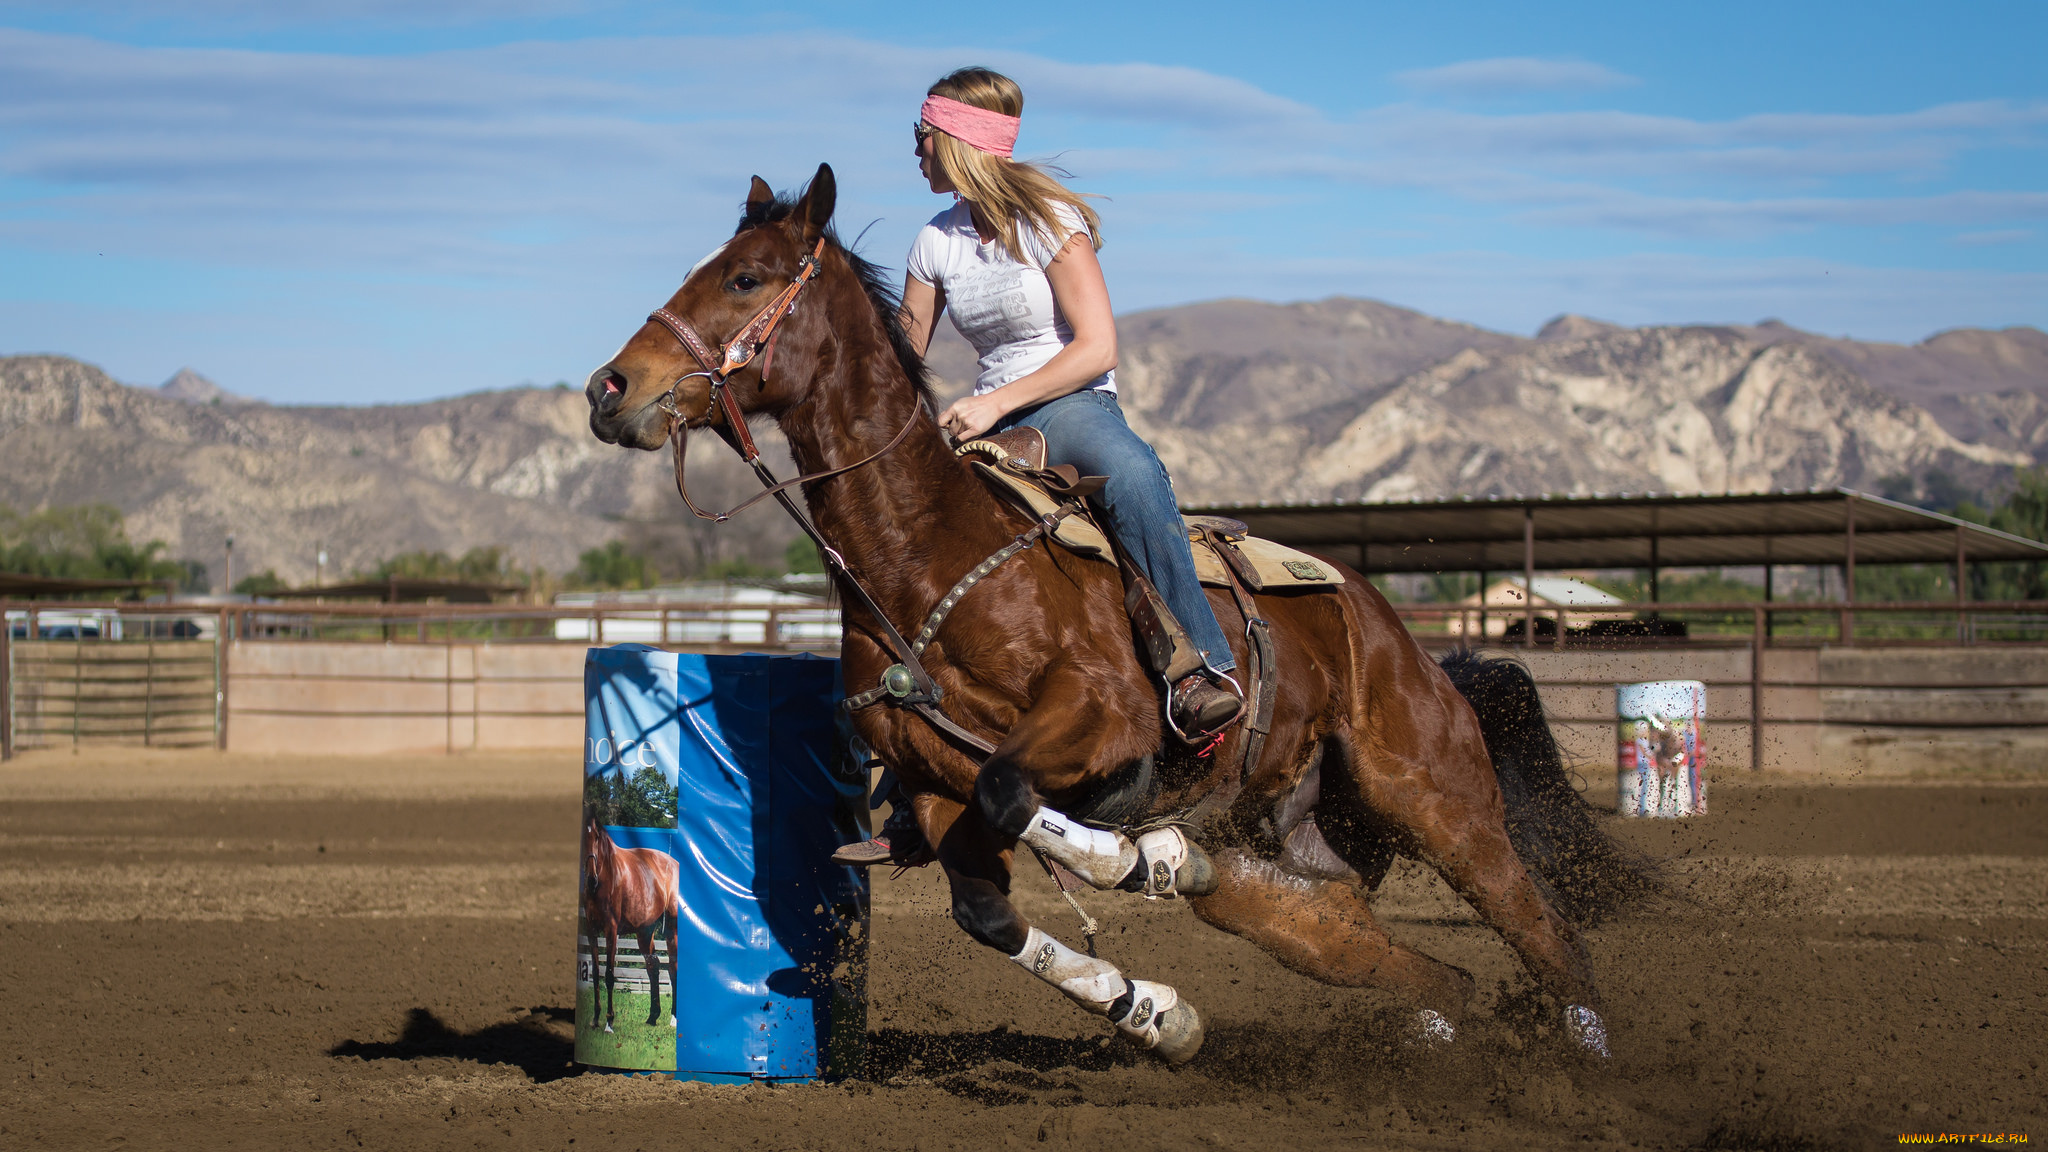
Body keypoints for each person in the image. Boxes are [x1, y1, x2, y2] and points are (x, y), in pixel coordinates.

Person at [834, 67, 1241, 867]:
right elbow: (902, 358)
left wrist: (995, 403)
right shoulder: (934, 239)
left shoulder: (1050, 219)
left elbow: (1097, 346)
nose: (915, 149)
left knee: (1134, 477)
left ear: (960, 139)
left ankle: (1200, 669)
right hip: (983, 418)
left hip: (1068, 404)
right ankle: (918, 776)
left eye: (923, 134)